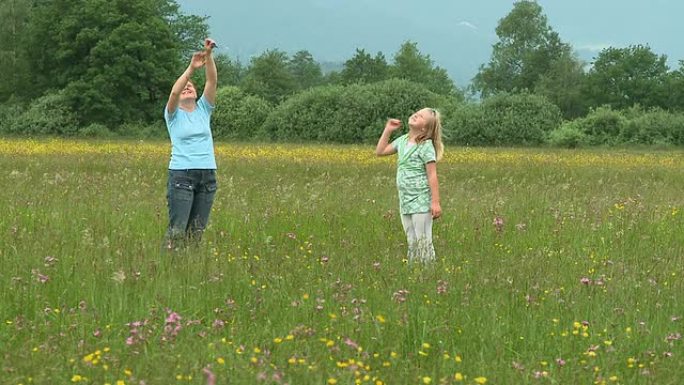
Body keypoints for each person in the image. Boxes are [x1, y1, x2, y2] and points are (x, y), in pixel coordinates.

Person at [163, 38, 218, 251]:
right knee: (177, 232)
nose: (187, 88)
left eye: (191, 87)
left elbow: (212, 82)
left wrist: (208, 56)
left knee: (196, 234)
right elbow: (174, 93)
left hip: (207, 176)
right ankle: (168, 267)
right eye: (184, 86)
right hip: (181, 176)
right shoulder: (173, 115)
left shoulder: (204, 109)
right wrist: (191, 68)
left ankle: (189, 272)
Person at [375, 108, 444, 263]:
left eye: (420, 117)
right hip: (405, 200)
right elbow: (380, 151)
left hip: (421, 200)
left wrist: (435, 202)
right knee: (411, 241)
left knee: (423, 241)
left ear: (424, 128)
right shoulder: (402, 140)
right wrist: (388, 130)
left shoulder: (425, 146)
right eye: (416, 113)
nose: (415, 115)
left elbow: (432, 175)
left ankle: (429, 272)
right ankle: (413, 271)